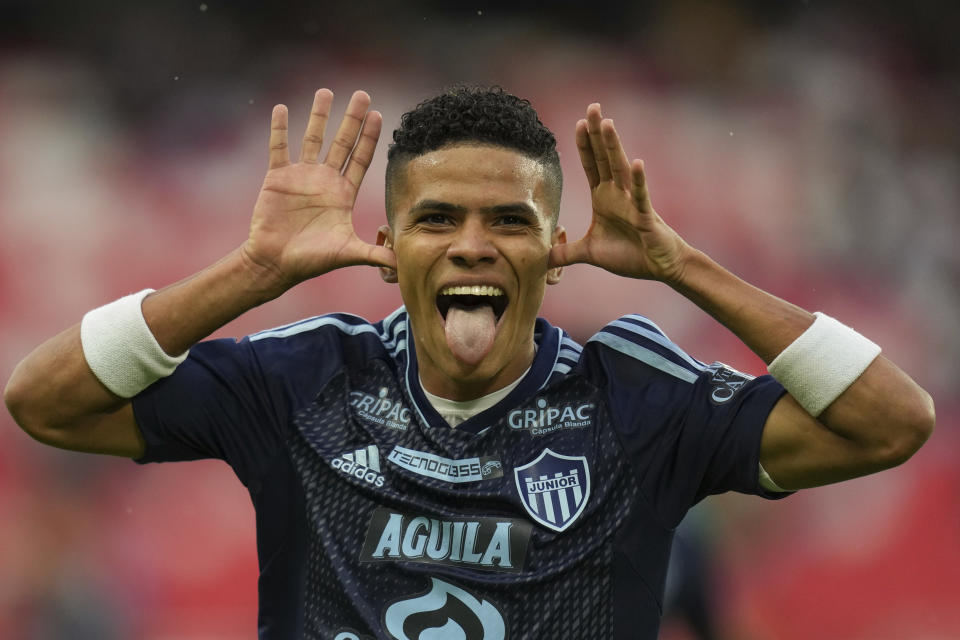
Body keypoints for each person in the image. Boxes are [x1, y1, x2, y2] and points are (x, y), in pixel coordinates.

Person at [4, 86, 935, 639]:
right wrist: (250, 273)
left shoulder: (635, 402)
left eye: (509, 222)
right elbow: (44, 401)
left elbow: (892, 421)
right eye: (438, 219)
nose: (472, 246)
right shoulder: (303, 381)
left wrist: (678, 264)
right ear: (388, 243)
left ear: (557, 247)